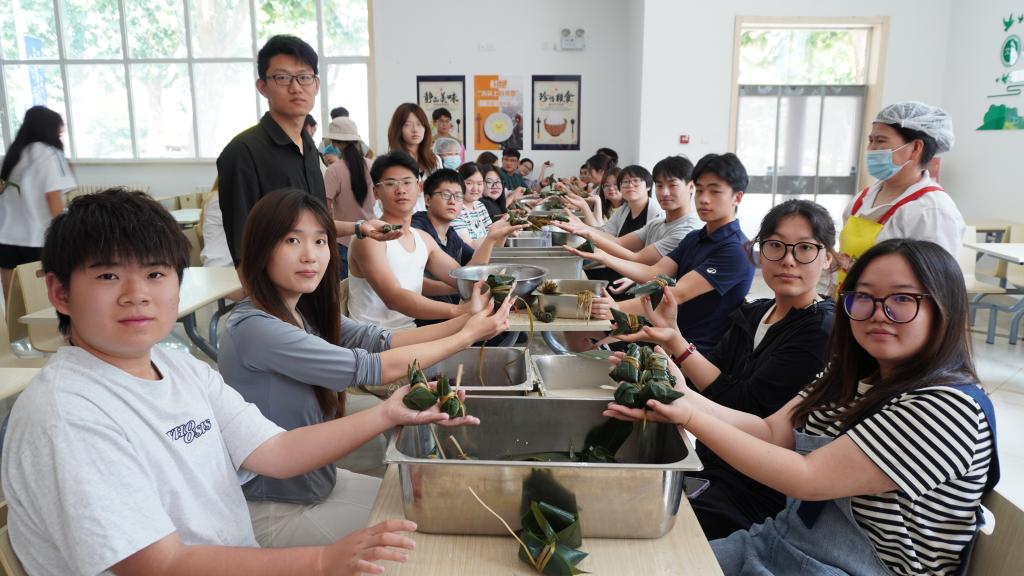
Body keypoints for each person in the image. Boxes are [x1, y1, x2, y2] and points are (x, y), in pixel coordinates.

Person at [0, 189, 461, 575]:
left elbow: (275, 452)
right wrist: (322, 561)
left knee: (426, 527)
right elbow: (161, 564)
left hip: (242, 550)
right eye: (108, 275)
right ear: (60, 292)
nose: (137, 294)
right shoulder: (66, 417)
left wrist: (388, 412)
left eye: (155, 274)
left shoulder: (180, 367)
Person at [607, 238, 999, 576]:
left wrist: (689, 415)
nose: (879, 313)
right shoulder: (848, 374)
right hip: (779, 545)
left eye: (902, 299)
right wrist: (679, 392)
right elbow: (771, 433)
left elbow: (807, 478)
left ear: (944, 308)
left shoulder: (948, 408)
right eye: (864, 297)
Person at [218, 189, 512, 548]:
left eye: (320, 241)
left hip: (316, 482)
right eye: (292, 240)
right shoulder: (255, 328)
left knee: (437, 507)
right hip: (276, 507)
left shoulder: (301, 311)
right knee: (430, 536)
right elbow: (370, 368)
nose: (310, 255)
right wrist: (467, 336)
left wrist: (468, 319)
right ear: (261, 248)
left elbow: (379, 341)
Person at [616, 199, 838, 539]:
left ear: (828, 258)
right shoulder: (755, 311)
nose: (788, 260)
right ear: (761, 251)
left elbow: (744, 405)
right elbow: (712, 382)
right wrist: (673, 338)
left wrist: (679, 349)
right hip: (712, 463)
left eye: (805, 248)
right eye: (776, 246)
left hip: (755, 489)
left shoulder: (820, 330)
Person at [579, 153, 755, 353]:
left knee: (590, 342)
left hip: (694, 348)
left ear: (737, 197)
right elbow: (654, 273)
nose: (704, 199)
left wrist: (617, 308)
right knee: (579, 330)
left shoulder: (736, 250)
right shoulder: (695, 237)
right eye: (700, 190)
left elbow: (676, 294)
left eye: (715, 192)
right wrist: (603, 257)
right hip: (664, 328)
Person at [348, 153, 515, 329]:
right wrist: (459, 310)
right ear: (376, 192)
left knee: (496, 329)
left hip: (408, 330)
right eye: (390, 183)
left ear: (419, 187)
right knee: (482, 331)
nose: (401, 190)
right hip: (373, 337)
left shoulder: (422, 239)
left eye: (407, 182)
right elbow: (394, 298)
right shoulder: (370, 237)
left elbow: (464, 279)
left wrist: (491, 238)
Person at [216, 35, 324, 265]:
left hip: (316, 276)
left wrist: (359, 228)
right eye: (282, 78)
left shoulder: (309, 147)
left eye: (304, 77)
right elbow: (243, 245)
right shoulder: (242, 152)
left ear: (316, 84)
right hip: (273, 284)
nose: (296, 88)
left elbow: (316, 224)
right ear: (262, 87)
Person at [838, 101, 964, 286]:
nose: (871, 149)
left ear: (916, 148)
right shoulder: (863, 198)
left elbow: (937, 282)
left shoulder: (932, 211)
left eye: (881, 141)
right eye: (871, 141)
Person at [560, 156, 702, 276]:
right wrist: (584, 229)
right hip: (637, 282)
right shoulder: (655, 223)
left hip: (644, 285)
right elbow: (619, 242)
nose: (664, 192)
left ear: (691, 187)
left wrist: (590, 235)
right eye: (659, 186)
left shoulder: (687, 229)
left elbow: (638, 259)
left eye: (672, 185)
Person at [411, 170, 523, 310]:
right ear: (428, 200)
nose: (452, 201)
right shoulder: (417, 228)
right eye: (445, 195)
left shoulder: (450, 234)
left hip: (452, 307)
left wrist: (497, 236)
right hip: (425, 313)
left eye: (458, 196)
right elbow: (414, 283)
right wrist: (464, 288)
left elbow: (474, 268)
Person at [0, 106, 75, 300]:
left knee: (13, 301)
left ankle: (13, 323)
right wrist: (62, 234)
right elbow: (52, 196)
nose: (61, 134)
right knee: (42, 299)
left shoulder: (15, 154)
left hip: (7, 237)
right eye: (59, 130)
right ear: (49, 128)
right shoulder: (49, 153)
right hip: (37, 238)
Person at [323, 117, 374, 279]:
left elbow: (324, 209)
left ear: (335, 144)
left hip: (344, 240)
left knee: (345, 287)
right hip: (372, 235)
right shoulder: (372, 165)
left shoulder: (333, 171)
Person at [451, 162, 494, 247]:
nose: (475, 188)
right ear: (459, 183)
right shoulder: (454, 209)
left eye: (479, 184)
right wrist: (498, 234)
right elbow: (468, 245)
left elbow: (491, 234)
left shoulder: (480, 206)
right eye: (469, 183)